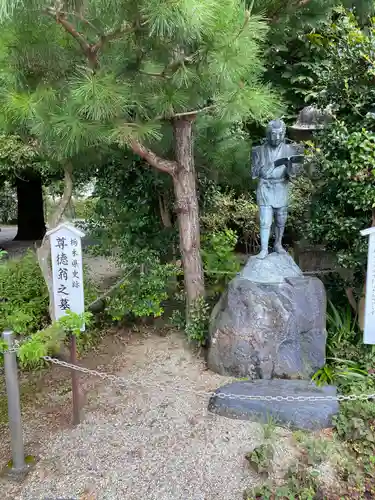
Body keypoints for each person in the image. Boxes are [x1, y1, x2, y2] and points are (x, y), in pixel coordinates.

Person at [251, 119, 303, 260]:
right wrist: (265, 168)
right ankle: (263, 249)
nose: (277, 137)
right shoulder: (258, 151)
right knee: (265, 219)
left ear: (284, 133)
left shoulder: (290, 150)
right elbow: (254, 172)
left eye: (280, 134)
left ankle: (278, 244)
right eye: (274, 134)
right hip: (265, 186)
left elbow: (296, 175)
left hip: (281, 186)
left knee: (281, 218)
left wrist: (290, 169)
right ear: (268, 134)